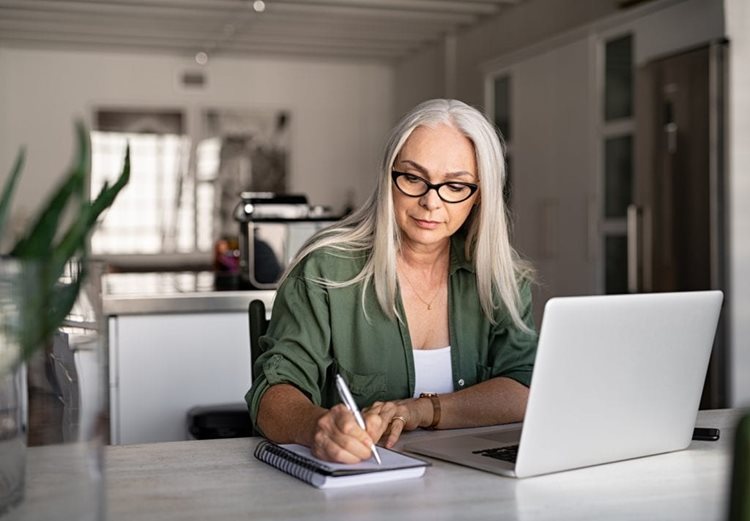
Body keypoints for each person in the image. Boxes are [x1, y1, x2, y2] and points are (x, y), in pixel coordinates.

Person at [245, 99, 537, 463]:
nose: (431, 202)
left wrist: (421, 410)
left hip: (475, 482)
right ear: (389, 177)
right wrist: (316, 426)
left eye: (456, 185)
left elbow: (523, 388)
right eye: (413, 178)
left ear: (479, 196)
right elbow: (272, 394)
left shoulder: (501, 279)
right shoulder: (324, 269)